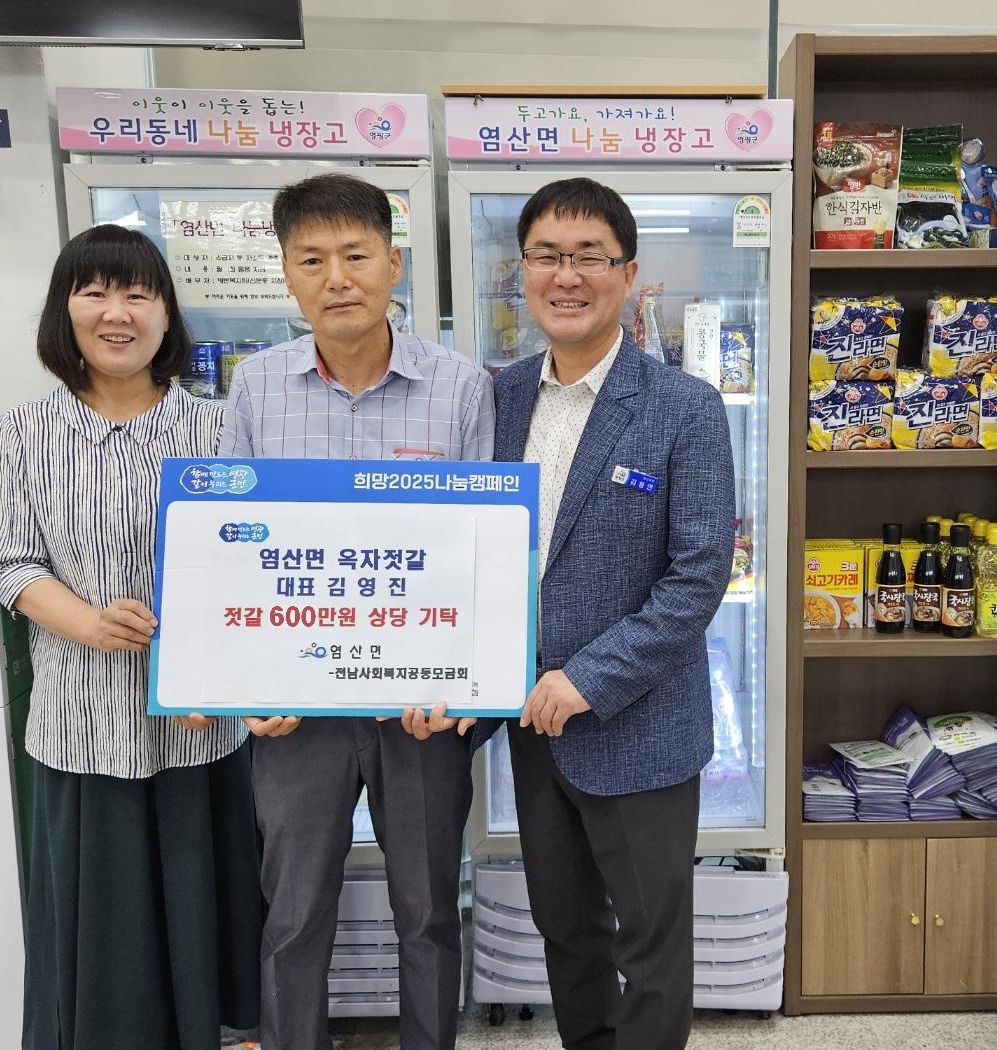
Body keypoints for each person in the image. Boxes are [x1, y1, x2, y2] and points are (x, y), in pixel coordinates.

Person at [219, 172, 495, 1050]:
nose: (336, 278)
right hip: (297, 710)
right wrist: (249, 684)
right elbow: (234, 549)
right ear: (287, 275)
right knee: (293, 914)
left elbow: (486, 549)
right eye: (312, 260)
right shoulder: (256, 388)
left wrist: (462, 683)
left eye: (355, 255)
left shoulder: (460, 386)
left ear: (393, 264)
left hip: (419, 706)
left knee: (429, 913)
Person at [0, 224, 260, 1049]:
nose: (117, 312)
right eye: (95, 292)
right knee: (104, 937)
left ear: (167, 316)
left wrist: (218, 676)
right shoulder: (24, 432)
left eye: (139, 294)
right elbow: (11, 567)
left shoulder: (218, 429)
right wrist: (91, 623)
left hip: (197, 728)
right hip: (80, 726)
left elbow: (252, 566)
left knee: (200, 920)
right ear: (63, 310)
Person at [492, 177, 736, 1050]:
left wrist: (589, 678)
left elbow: (697, 576)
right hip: (531, 724)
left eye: (589, 256)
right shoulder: (499, 397)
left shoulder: (684, 408)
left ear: (627, 274)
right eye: (547, 256)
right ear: (522, 271)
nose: (567, 276)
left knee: (651, 944)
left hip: (639, 725)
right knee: (567, 932)